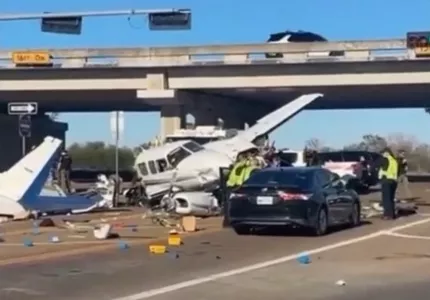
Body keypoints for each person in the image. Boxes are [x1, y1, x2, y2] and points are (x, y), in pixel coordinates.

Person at [377, 147, 399, 220]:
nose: (382, 155)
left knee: (386, 199)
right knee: (391, 198)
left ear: (386, 153)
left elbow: (375, 164)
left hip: (386, 180)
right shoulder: (394, 160)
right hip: (394, 181)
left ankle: (387, 215)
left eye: (383, 153)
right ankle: (392, 214)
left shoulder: (385, 159)